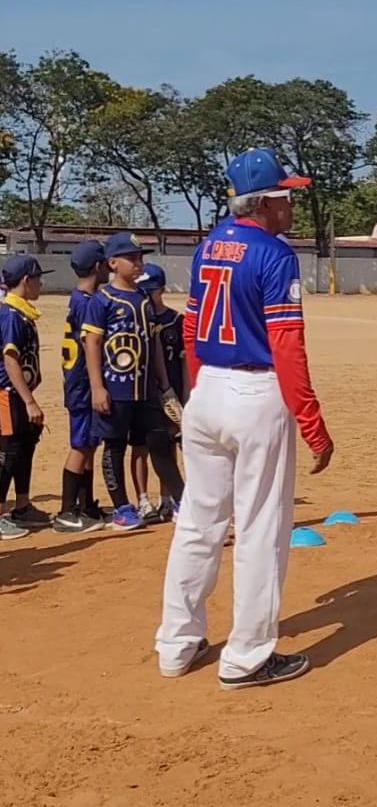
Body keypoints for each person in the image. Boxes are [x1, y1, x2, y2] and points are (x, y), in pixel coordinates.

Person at [156, 148, 335, 689]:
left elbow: (191, 330)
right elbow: (287, 345)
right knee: (261, 528)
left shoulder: (210, 244)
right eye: (285, 196)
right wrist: (312, 422)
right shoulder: (275, 254)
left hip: (207, 388)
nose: (291, 205)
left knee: (198, 522)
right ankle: (247, 657)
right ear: (263, 203)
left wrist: (199, 391)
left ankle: (176, 643)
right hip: (255, 392)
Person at [82, 232, 185, 530]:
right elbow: (92, 343)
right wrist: (97, 387)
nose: (138, 263)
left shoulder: (144, 299)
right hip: (116, 389)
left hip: (146, 389)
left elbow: (154, 344)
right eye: (131, 258)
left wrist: (164, 385)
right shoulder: (102, 300)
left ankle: (182, 500)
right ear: (113, 263)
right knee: (115, 446)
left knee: (159, 443)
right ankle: (122, 508)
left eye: (140, 257)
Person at [54, 241, 111, 533]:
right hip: (82, 384)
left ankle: (86, 504)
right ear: (98, 266)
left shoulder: (80, 298)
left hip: (81, 382)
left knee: (89, 444)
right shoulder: (88, 303)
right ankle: (66, 511)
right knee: (80, 446)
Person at [0, 255, 54, 539]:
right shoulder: (11, 315)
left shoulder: (23, 313)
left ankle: (22, 506)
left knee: (24, 446)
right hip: (7, 394)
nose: (40, 284)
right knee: (8, 452)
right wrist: (29, 401)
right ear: (25, 280)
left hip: (20, 394)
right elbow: (11, 360)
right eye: (38, 279)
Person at [132, 262, 185, 523]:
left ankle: (169, 497)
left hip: (170, 391)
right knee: (140, 445)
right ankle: (143, 499)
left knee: (169, 442)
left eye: (149, 291)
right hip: (141, 392)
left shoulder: (176, 321)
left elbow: (184, 362)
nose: (144, 297)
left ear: (161, 289)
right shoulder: (136, 319)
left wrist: (182, 393)